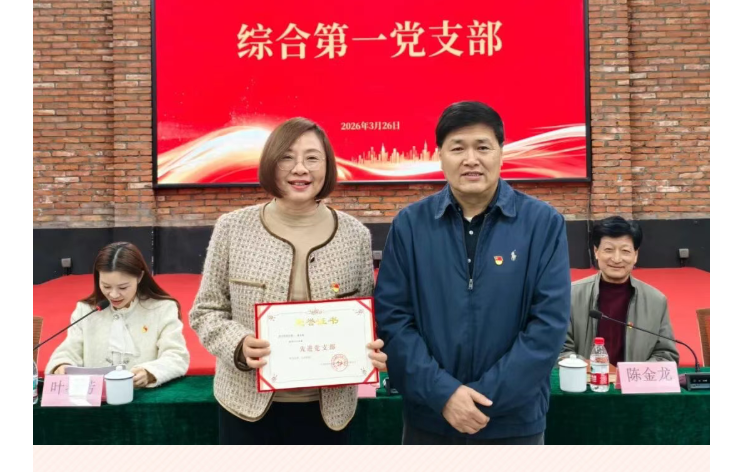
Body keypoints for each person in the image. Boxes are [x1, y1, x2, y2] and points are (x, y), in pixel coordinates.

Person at [374, 101, 571, 445]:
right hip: (430, 419)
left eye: (482, 147)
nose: (471, 159)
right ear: (439, 155)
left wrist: (482, 400)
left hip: (514, 423)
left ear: (501, 153)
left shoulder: (542, 223)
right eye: (457, 148)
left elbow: (548, 324)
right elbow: (394, 319)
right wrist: (444, 395)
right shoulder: (410, 225)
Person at [190, 117, 387, 445]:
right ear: (271, 163)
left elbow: (366, 318)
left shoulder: (354, 236)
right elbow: (206, 311)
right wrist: (238, 344)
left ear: (328, 166)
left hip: (329, 411)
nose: (300, 169)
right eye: (287, 157)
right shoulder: (233, 229)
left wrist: (373, 346)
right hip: (246, 408)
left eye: (312, 158)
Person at [45, 242, 189, 388]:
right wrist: (62, 365)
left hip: (143, 396)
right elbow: (70, 350)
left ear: (139, 277)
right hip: (95, 397)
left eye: (123, 287)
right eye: (106, 286)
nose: (113, 295)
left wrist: (149, 372)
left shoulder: (162, 309)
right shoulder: (86, 310)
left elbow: (176, 356)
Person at [560, 216, 679, 366]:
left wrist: (630, 374)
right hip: (587, 379)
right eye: (609, 250)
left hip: (635, 381)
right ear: (596, 252)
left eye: (625, 251)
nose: (617, 259)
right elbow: (560, 350)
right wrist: (595, 370)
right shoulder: (571, 295)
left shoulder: (656, 301)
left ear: (635, 255)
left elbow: (666, 355)